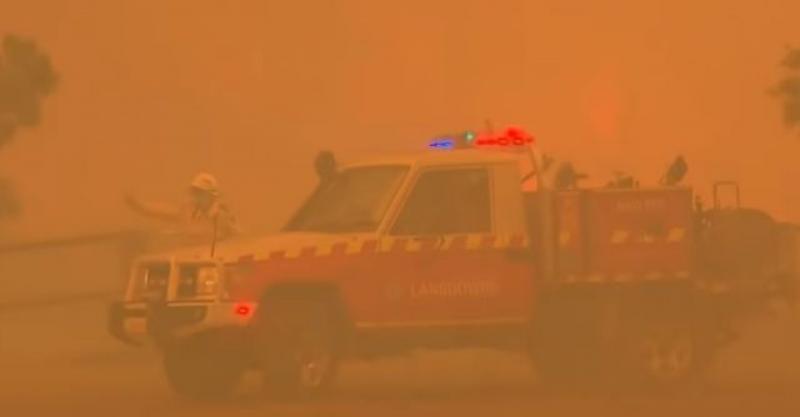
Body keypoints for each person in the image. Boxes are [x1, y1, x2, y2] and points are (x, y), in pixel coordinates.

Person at [125, 172, 240, 243]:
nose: (196, 197)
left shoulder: (224, 216)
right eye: (195, 192)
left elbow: (238, 241)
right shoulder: (187, 212)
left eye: (200, 193)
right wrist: (138, 205)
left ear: (212, 195)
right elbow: (161, 210)